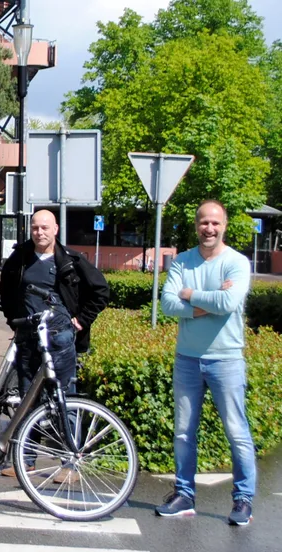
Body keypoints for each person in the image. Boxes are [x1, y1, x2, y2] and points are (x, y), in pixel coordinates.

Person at [157, 200, 255, 526]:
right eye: (203, 223)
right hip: (187, 358)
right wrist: (198, 302)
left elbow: (228, 302)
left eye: (215, 223)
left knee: (236, 432)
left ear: (224, 225)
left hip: (226, 360)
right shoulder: (182, 261)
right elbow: (168, 304)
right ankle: (184, 495)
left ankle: (243, 501)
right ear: (196, 225)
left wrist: (190, 294)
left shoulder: (237, 263)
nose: (209, 229)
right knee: (184, 432)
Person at [0, 209, 109, 480]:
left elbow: (101, 290)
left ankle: (69, 463)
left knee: (63, 399)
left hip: (59, 339)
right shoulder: (21, 256)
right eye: (35, 228)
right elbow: (5, 287)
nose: (40, 232)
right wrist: (14, 320)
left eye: (45, 227)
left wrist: (80, 320)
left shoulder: (70, 260)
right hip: (28, 338)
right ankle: (26, 461)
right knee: (27, 400)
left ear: (56, 229)